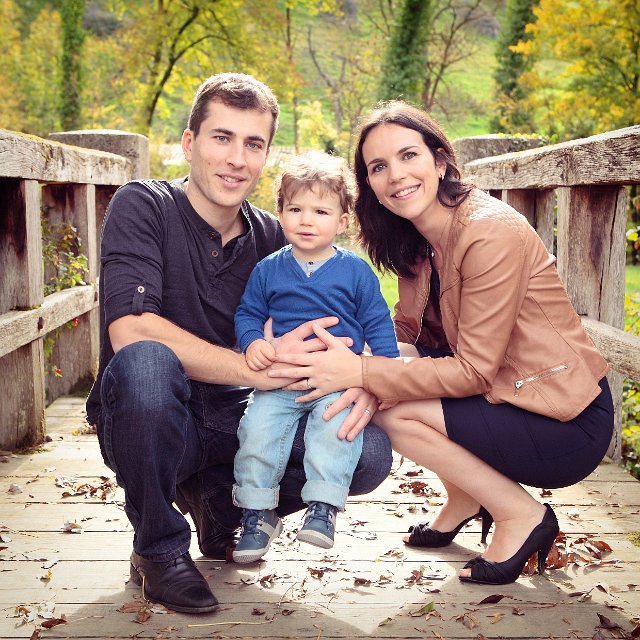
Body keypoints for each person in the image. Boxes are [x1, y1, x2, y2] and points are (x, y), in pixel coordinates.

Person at [267, 101, 614, 586]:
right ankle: (467, 497)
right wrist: (346, 354)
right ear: (369, 186)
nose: (396, 175)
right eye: (379, 167)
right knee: (382, 373)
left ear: (440, 160)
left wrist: (362, 374)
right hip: (503, 396)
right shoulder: (416, 239)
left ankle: (520, 514)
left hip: (561, 416)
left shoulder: (490, 232)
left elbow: (472, 371)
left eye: (409, 156)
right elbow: (403, 339)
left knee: (391, 406)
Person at [85, 74, 392, 614]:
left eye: (253, 144)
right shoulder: (144, 206)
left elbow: (340, 324)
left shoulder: (279, 239)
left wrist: (365, 376)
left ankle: (224, 507)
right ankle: (156, 547)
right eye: (221, 138)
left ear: (266, 155)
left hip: (240, 424)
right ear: (189, 143)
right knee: (147, 363)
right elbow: (129, 329)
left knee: (366, 452)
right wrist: (252, 369)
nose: (235, 159)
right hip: (159, 421)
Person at [232, 152, 399, 563]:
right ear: (281, 214)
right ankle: (257, 512)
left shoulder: (356, 272)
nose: (307, 220)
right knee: (256, 431)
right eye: (296, 209)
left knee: (335, 431)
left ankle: (323, 508)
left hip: (337, 381)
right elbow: (249, 313)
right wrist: (254, 342)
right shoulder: (269, 269)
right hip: (282, 379)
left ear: (342, 222)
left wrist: (387, 373)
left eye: (321, 211)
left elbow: (378, 323)